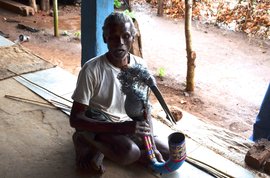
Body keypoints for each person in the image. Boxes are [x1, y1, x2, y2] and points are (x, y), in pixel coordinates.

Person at [69, 12, 169, 174]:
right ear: (105, 38)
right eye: (114, 37)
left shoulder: (140, 66)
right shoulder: (92, 69)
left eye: (126, 36)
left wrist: (151, 147)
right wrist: (122, 128)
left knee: (166, 152)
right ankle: (84, 139)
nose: (120, 43)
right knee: (130, 152)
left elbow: (145, 113)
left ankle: (105, 151)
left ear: (133, 38)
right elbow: (75, 119)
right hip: (101, 125)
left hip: (128, 127)